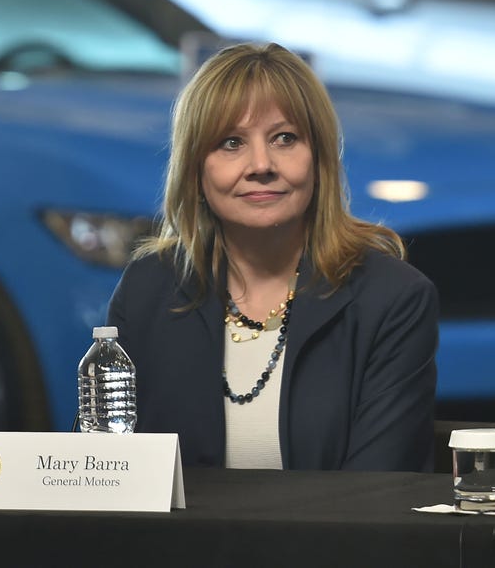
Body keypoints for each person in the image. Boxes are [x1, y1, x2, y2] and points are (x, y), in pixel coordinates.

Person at [108, 42, 438, 471]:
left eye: (285, 139)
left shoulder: (393, 299)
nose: (261, 164)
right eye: (230, 143)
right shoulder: (146, 289)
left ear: (319, 160)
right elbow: (99, 476)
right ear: (195, 169)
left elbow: (376, 498)